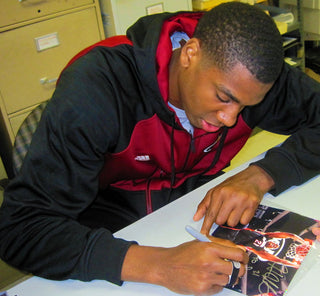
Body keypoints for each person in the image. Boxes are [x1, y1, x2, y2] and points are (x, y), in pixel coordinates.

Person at [0, 2, 319, 295]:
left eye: (248, 104)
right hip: (107, 211)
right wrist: (158, 266)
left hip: (193, 196)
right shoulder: (98, 87)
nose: (229, 118)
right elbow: (19, 228)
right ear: (190, 54)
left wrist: (261, 175)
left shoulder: (247, 73)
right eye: (224, 98)